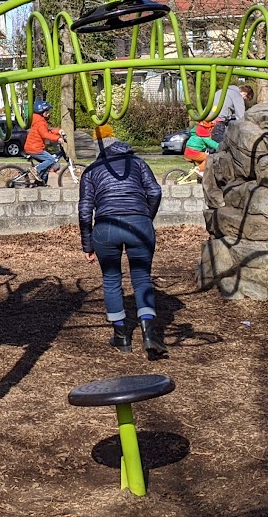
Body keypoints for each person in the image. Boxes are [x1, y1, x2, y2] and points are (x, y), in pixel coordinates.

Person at [78, 123, 166, 359]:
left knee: (111, 278)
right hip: (140, 225)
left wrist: (87, 244)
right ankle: (149, 334)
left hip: (106, 227)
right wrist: (145, 217)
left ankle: (121, 336)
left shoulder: (91, 171)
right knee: (142, 277)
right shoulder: (138, 163)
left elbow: (85, 209)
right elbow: (155, 192)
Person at [23, 99, 63, 185]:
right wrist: (57, 138)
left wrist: (58, 131)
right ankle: (36, 170)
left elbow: (47, 131)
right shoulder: (40, 122)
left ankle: (41, 183)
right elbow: (45, 134)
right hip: (35, 148)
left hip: (33, 147)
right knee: (51, 160)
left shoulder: (39, 121)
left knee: (47, 166)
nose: (49, 114)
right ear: (42, 113)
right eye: (47, 112)